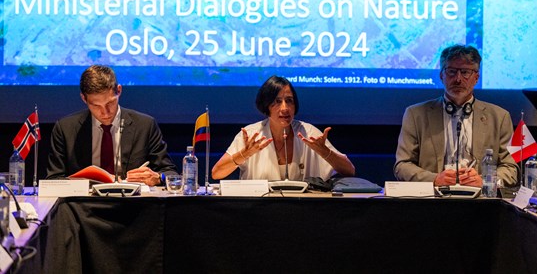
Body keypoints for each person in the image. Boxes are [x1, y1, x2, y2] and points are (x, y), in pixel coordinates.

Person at [394, 44, 519, 188]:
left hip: (482, 204)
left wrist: (485, 180)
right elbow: (402, 165)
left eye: (465, 72)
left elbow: (511, 169)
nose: (458, 79)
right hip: (432, 201)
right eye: (452, 72)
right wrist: (434, 179)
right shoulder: (415, 115)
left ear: (476, 78)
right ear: (441, 75)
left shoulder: (500, 117)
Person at [46, 65, 177, 186]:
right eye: (96, 106)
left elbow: (171, 174)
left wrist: (159, 177)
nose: (105, 113)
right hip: (84, 206)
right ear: (84, 99)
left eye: (110, 103)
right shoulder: (65, 128)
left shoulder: (145, 125)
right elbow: (53, 180)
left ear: (119, 91)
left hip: (133, 204)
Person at [212, 76, 355, 181]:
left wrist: (325, 152)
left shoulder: (308, 132)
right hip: (257, 209)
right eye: (277, 102)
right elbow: (216, 173)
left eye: (289, 101)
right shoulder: (251, 134)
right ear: (266, 105)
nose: (285, 108)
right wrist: (244, 154)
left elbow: (350, 171)